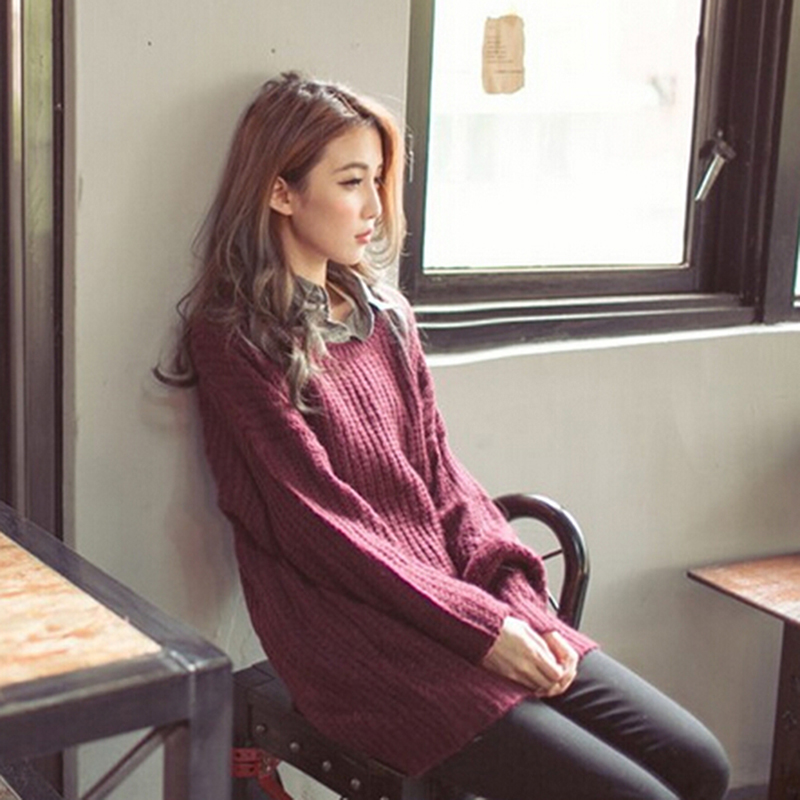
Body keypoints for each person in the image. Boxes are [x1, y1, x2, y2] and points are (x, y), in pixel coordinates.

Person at [157, 72, 730, 800]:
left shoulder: (386, 316)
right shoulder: (234, 341)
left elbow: (446, 481)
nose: (376, 207)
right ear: (281, 193)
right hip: (359, 642)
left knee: (700, 763)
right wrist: (484, 632)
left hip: (457, 606)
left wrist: (514, 602)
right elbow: (325, 533)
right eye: (352, 182)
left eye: (379, 179)